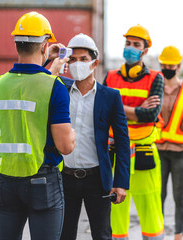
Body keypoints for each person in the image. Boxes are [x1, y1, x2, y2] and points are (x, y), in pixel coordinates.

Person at [0, 12, 76, 240]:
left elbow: (26, 89)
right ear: (44, 45)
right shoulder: (54, 86)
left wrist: (48, 67)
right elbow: (66, 146)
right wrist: (74, 133)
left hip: (6, 181)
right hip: (42, 181)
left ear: (17, 44)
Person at [59, 33, 130, 240]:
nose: (77, 64)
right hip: (64, 178)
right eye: (72, 59)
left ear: (94, 63)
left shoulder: (110, 97)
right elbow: (39, 78)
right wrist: (52, 58)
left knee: (102, 235)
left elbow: (122, 142)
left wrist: (121, 182)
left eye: (83, 59)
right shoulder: (58, 88)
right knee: (63, 235)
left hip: (97, 179)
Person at [104, 25, 165, 240]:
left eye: (136, 45)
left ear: (145, 50)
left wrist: (116, 108)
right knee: (115, 214)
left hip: (143, 153)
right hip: (115, 152)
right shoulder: (110, 77)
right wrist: (136, 110)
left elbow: (151, 115)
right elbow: (102, 112)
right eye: (128, 43)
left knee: (150, 210)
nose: (130, 48)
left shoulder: (156, 78)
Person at [156, 46, 183, 240]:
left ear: (179, 66)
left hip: (182, 151)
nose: (167, 67)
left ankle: (178, 236)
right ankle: (158, 233)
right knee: (157, 196)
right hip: (157, 149)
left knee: (179, 197)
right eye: (164, 64)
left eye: (171, 65)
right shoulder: (154, 87)